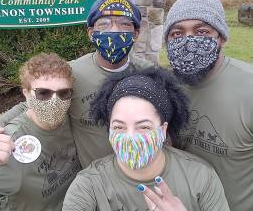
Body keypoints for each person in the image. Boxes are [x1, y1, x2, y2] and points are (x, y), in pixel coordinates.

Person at [0, 0, 153, 168]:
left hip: (140, 169)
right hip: (93, 179)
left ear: (136, 33)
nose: (114, 30)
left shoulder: (151, 75)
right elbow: (35, 101)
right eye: (104, 24)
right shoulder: (73, 73)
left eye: (124, 24)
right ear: (91, 33)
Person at [62, 67, 230, 211]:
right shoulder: (88, 185)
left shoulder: (201, 177)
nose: (130, 137)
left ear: (163, 130)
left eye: (143, 127)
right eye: (119, 127)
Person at [0, 53, 81, 211]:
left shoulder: (72, 114)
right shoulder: (10, 144)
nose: (54, 102)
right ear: (26, 93)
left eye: (63, 93)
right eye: (43, 93)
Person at [164, 0, 253, 211]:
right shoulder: (163, 85)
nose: (188, 40)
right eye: (177, 33)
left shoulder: (248, 88)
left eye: (201, 31)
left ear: (221, 37)